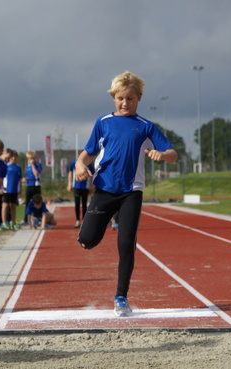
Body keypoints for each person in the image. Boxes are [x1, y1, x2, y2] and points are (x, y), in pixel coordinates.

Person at [74, 70, 178, 316]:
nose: (125, 103)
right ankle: (91, 233)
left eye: (130, 98)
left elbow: (172, 154)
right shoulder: (103, 123)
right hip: (104, 189)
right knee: (87, 241)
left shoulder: (146, 127)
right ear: (113, 98)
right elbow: (87, 153)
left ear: (138, 98)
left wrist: (162, 155)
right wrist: (80, 165)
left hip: (131, 192)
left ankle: (121, 297)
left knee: (126, 243)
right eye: (120, 98)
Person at [67, 159, 93, 228]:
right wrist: (69, 184)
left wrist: (91, 186)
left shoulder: (89, 164)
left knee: (84, 204)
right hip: (76, 186)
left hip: (85, 187)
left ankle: (84, 220)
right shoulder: (74, 163)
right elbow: (70, 172)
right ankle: (77, 220)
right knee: (77, 204)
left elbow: (91, 175)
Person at [1, 149, 22, 230]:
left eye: (15, 156)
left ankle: (13, 222)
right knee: (5, 206)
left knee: (13, 206)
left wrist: (20, 188)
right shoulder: (5, 165)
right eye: (12, 156)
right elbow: (2, 177)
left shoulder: (18, 167)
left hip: (14, 189)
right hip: (6, 189)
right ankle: (4, 222)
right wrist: (1, 187)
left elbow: (19, 179)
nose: (13, 158)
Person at [22, 150, 42, 225]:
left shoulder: (38, 165)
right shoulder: (27, 167)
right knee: (28, 203)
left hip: (36, 186)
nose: (31, 160)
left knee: (37, 202)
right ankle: (26, 219)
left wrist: (33, 165)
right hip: (29, 185)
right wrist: (25, 178)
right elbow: (28, 175)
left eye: (32, 158)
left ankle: (38, 218)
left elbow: (36, 174)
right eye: (30, 159)